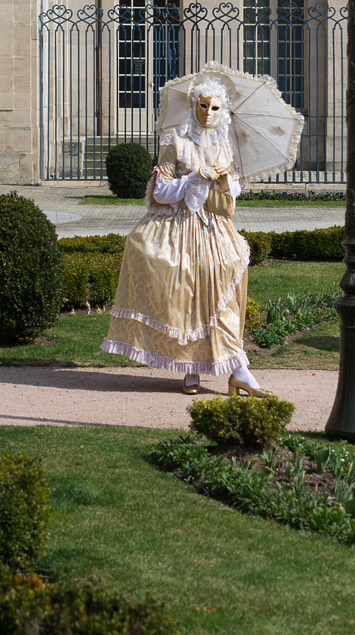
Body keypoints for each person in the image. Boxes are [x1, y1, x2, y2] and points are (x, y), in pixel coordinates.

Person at [101, 66, 272, 397]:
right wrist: (195, 178)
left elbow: (232, 192)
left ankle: (236, 370)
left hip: (214, 229)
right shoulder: (175, 142)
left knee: (218, 287)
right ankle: (194, 368)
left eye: (216, 107)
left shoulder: (225, 146)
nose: (208, 113)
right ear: (194, 105)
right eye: (203, 105)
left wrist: (223, 179)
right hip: (179, 228)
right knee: (186, 295)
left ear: (224, 111)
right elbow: (160, 192)